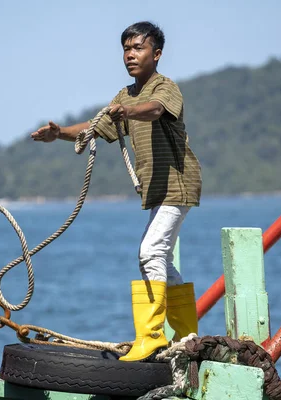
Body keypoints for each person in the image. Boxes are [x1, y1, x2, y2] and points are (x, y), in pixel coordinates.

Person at [31, 21, 202, 361]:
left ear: (157, 54)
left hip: (177, 184)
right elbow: (97, 127)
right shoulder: (124, 95)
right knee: (161, 259)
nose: (129, 55)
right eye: (126, 49)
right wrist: (61, 133)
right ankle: (188, 336)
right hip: (157, 190)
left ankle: (151, 336)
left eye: (138, 48)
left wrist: (130, 111)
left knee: (149, 253)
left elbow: (154, 110)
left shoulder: (165, 87)